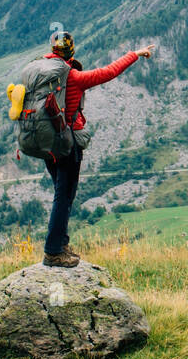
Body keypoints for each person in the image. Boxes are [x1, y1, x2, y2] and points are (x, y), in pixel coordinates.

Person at [42, 32, 154, 267]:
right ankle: (53, 251)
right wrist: (134, 54)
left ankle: (60, 244)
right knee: (64, 196)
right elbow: (108, 73)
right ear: (71, 50)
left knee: (61, 194)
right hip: (67, 142)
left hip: (47, 143)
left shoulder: (43, 72)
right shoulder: (71, 76)